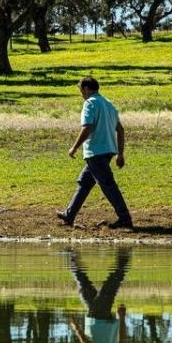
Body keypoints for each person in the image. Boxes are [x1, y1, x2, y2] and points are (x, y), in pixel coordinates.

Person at [57, 76, 133, 229]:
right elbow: (120, 129)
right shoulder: (108, 104)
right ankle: (69, 215)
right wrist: (120, 154)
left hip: (95, 151)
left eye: (81, 90)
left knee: (108, 185)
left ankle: (125, 218)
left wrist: (74, 147)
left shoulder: (90, 103)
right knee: (84, 183)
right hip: (108, 150)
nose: (81, 93)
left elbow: (87, 127)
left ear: (86, 88)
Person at [65, 248, 131, 343]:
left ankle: (71, 257)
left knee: (84, 287)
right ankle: (124, 258)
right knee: (109, 286)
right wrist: (76, 328)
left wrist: (121, 319)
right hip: (97, 321)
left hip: (104, 320)